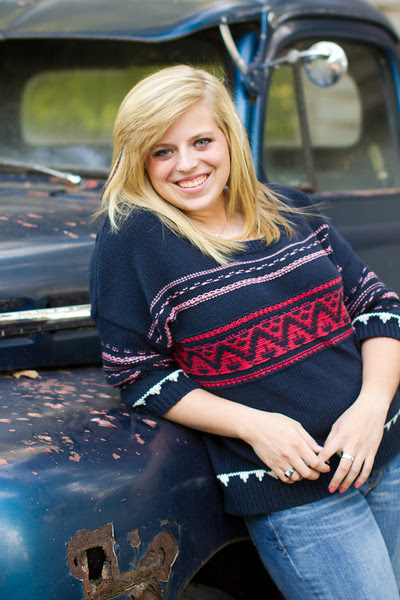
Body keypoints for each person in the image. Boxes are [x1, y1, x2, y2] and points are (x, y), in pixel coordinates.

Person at [89, 65, 400, 599]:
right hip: (297, 489)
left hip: (386, 448)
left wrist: (372, 407)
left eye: (201, 141)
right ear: (138, 158)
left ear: (229, 137)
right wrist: (256, 427)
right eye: (162, 151)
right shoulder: (133, 242)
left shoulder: (289, 207)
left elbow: (378, 307)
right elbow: (137, 374)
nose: (187, 164)